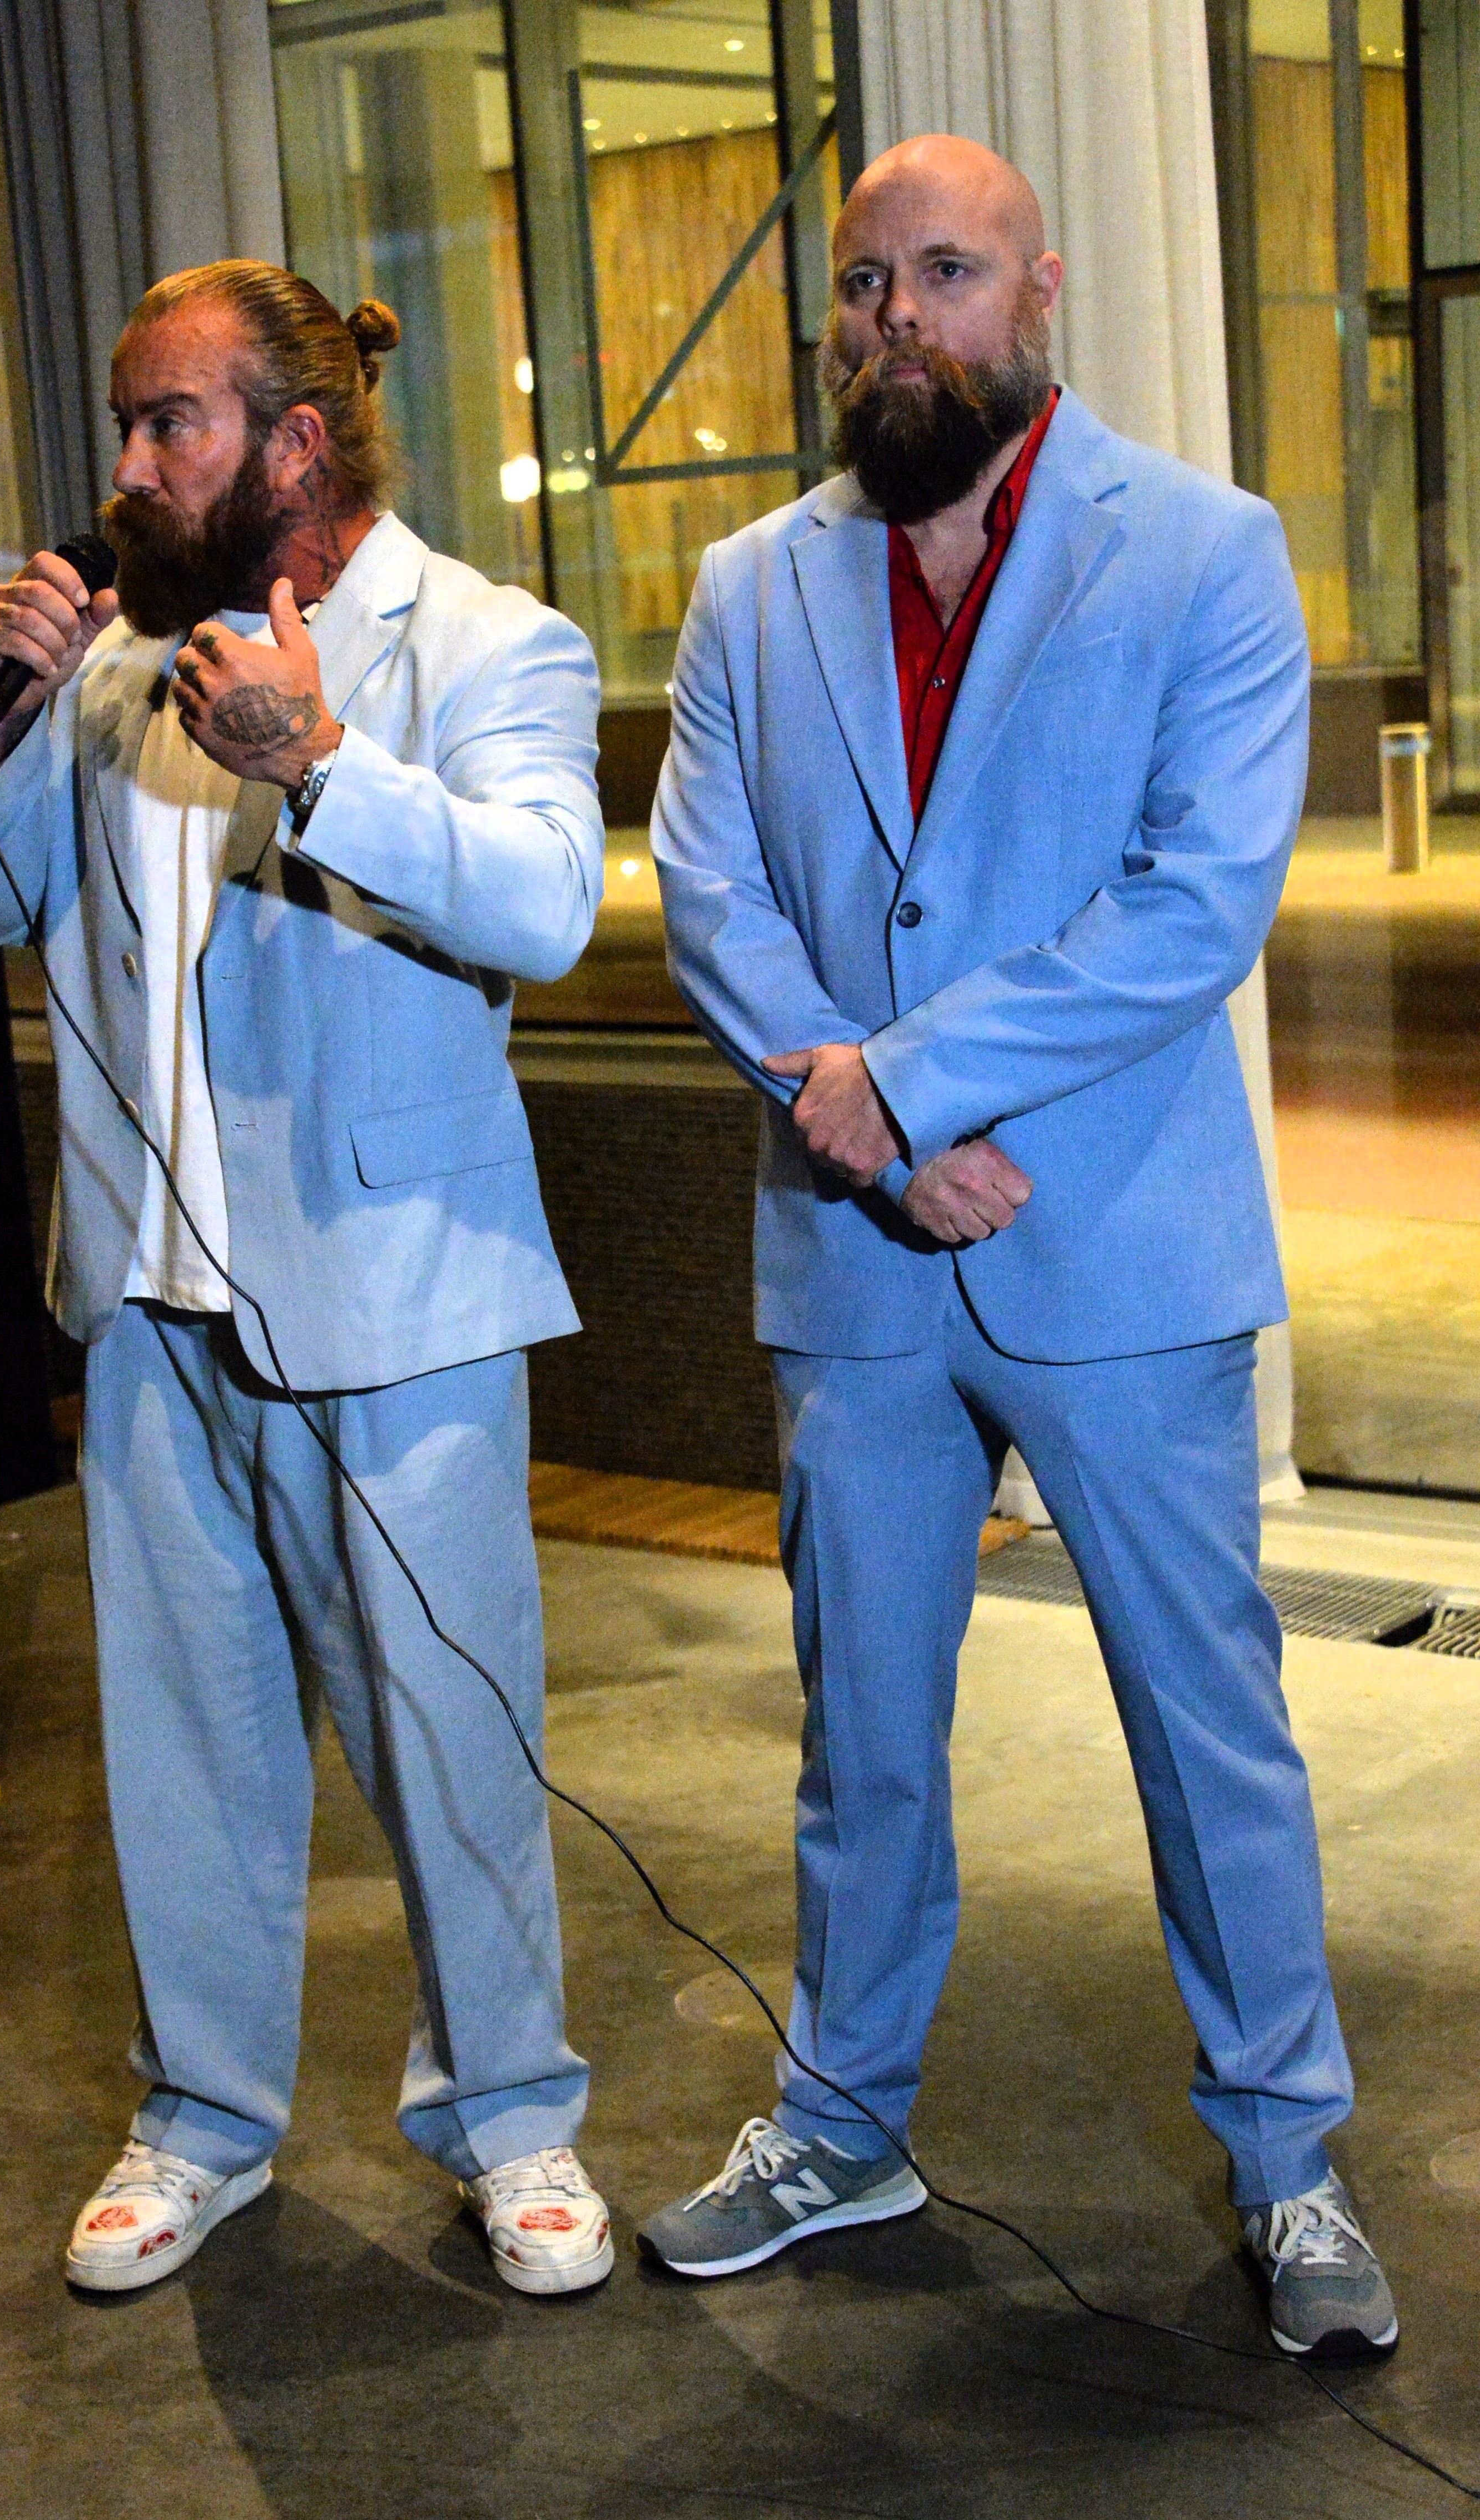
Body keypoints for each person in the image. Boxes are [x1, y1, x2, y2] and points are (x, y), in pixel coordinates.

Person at [639, 137, 1396, 2361]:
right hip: (859, 1262)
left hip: (1115, 1246)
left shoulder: (1205, 550)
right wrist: (873, 1138)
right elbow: (714, 902)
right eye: (865, 282)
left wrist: (903, 1089)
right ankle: (840, 2124)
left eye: (946, 272)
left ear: (1038, 290)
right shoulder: (747, 588)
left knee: (1207, 1732)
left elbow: (1193, 905)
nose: (900, 317)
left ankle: (1289, 2163)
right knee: (859, 1739)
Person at [0, 261, 614, 2298]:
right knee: (186, 1748)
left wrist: (318, 759)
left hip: (397, 1300)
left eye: (175, 425)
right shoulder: (109, 679)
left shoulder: (483, 639)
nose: (132, 468)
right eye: (127, 426)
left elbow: (547, 904)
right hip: (149, 1303)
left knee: (447, 1735)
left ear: (295, 444)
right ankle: (203, 2121)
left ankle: (515, 2120)